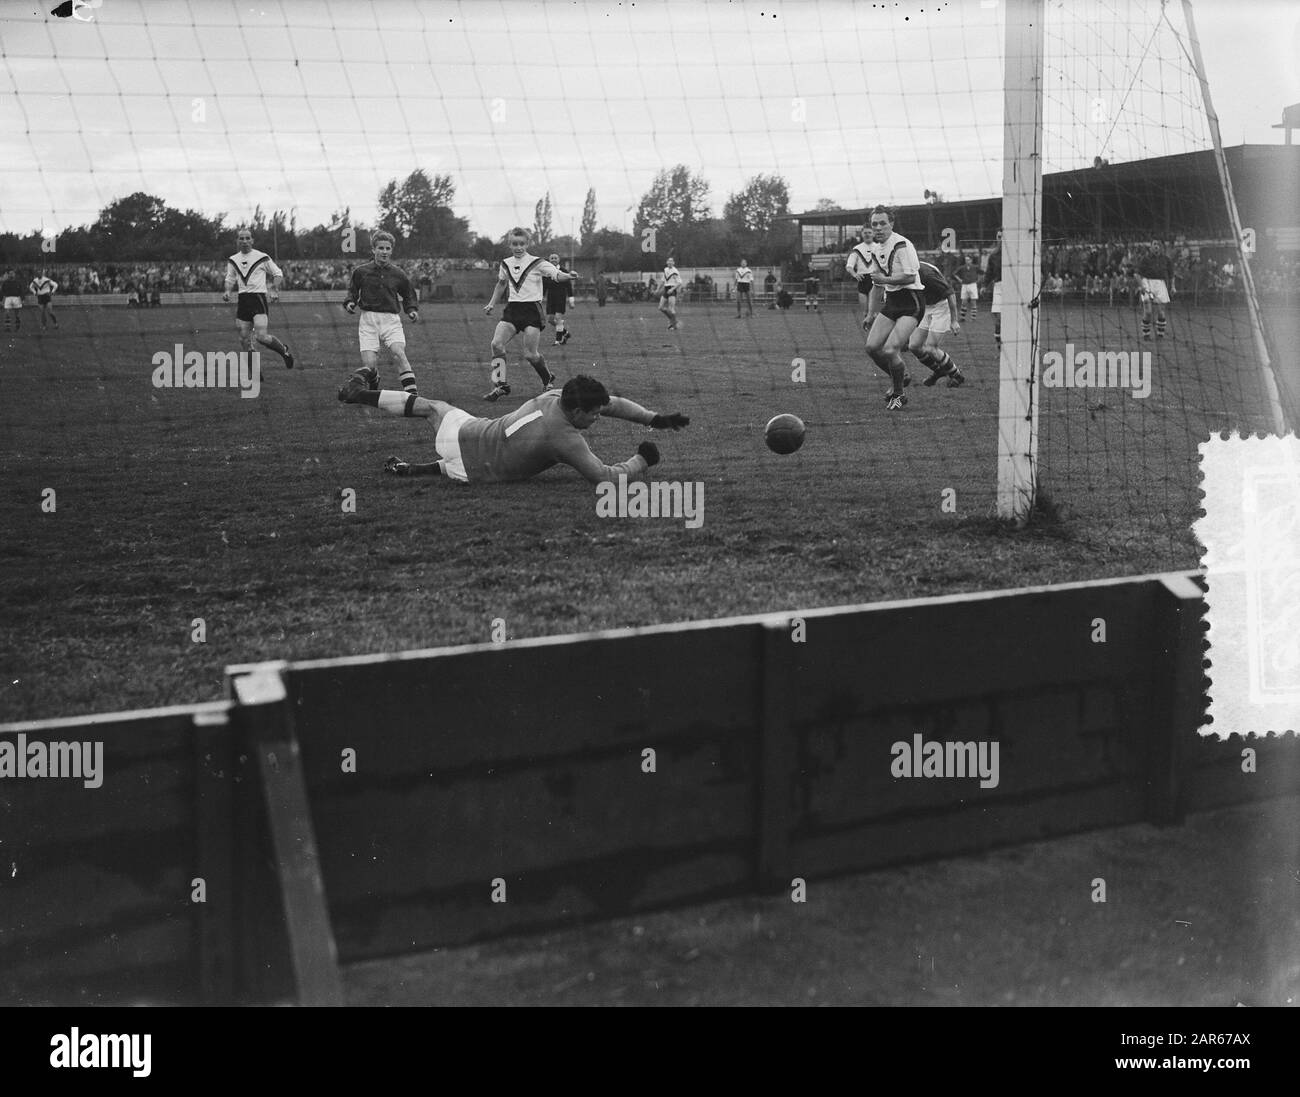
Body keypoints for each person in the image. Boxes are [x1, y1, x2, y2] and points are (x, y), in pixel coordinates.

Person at [337, 370, 690, 486]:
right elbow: (604, 477)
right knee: (443, 420)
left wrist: (654, 419)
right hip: (474, 468)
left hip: (469, 439)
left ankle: (362, 397)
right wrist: (642, 460)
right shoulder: (563, 438)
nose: (599, 417)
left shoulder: (556, 395)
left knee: (433, 407)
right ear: (578, 410)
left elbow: (612, 404)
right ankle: (360, 397)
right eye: (594, 414)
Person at [481, 227, 573, 401]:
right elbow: (501, 284)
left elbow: (556, 274)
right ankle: (501, 385)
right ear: (509, 244)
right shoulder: (505, 263)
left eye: (522, 243)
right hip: (512, 310)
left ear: (527, 244)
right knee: (496, 344)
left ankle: (547, 379)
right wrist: (492, 303)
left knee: (530, 354)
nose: (518, 247)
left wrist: (569, 276)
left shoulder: (538, 262)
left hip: (532, 311)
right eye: (515, 244)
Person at [859, 206, 925, 411]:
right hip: (893, 302)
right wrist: (870, 314)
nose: (878, 228)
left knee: (890, 349)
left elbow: (910, 276)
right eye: (874, 224)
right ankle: (899, 376)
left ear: (891, 224)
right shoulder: (876, 249)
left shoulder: (902, 245)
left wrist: (884, 279)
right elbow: (877, 286)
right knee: (871, 347)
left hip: (911, 301)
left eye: (882, 223)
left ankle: (898, 394)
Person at [343, 230, 421, 393]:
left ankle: (412, 395)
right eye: (381, 248)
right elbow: (352, 291)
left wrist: (411, 309)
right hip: (368, 321)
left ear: (391, 250)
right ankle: (375, 378)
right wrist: (350, 303)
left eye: (387, 248)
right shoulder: (361, 271)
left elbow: (408, 294)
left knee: (398, 353)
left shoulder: (398, 274)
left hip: (391, 320)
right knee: (370, 366)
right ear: (373, 250)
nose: (384, 252)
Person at [222, 228, 295, 368]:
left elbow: (278, 274)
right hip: (243, 300)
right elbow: (230, 278)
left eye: (247, 238)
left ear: (252, 240)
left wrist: (274, 290)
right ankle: (254, 369)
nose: (244, 241)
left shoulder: (262, 257)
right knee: (244, 339)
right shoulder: (233, 260)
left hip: (258, 299)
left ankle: (284, 351)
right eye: (241, 238)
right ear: (237, 241)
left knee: (261, 337)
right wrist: (227, 291)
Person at [908, 260, 964, 388]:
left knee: (930, 347)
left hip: (941, 306)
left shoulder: (927, 274)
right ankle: (939, 371)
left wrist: (954, 320)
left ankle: (957, 375)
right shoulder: (903, 270)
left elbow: (950, 293)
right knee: (914, 346)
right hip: (925, 306)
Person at [1137, 241, 1173, 340]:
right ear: (1151, 248)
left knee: (1161, 312)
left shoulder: (1166, 260)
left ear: (1161, 248)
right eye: (1154, 245)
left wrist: (1173, 287)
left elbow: (1171, 275)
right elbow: (1137, 274)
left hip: (1160, 284)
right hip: (1147, 283)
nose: (1156, 246)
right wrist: (1142, 286)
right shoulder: (1145, 259)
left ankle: (1160, 335)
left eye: (1158, 245)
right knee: (1148, 312)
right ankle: (1146, 335)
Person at [543, 252, 574, 346]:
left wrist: (571, 300)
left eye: (555, 258)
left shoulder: (564, 271)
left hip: (561, 297)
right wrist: (540, 297)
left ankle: (558, 341)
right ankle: (566, 333)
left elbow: (569, 286)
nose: (553, 259)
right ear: (549, 260)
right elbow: (544, 286)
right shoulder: (546, 272)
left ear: (559, 260)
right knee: (551, 320)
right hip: (551, 298)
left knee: (558, 318)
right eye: (551, 258)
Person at [982, 241, 1002, 344]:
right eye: (999, 236)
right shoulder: (994, 255)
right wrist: (984, 285)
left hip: (1014, 288)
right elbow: (989, 272)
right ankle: (1000, 348)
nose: (1001, 239)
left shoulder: (1017, 253)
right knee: (999, 318)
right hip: (999, 286)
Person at [952, 255, 980, 320]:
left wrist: (978, 280)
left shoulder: (975, 267)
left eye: (968, 260)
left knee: (973, 301)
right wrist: (959, 279)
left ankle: (973, 317)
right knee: (964, 301)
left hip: (973, 284)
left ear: (971, 260)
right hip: (964, 285)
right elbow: (954, 274)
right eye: (966, 260)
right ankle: (962, 317)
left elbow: (982, 273)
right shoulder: (962, 268)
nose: (967, 261)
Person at [657, 257, 682, 330]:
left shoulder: (675, 271)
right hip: (666, 289)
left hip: (672, 289)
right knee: (660, 307)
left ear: (673, 263)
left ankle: (673, 325)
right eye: (668, 261)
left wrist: (672, 289)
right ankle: (673, 320)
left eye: (671, 261)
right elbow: (663, 280)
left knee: (671, 308)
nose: (670, 262)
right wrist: (658, 289)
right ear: (666, 262)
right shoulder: (665, 269)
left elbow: (680, 282)